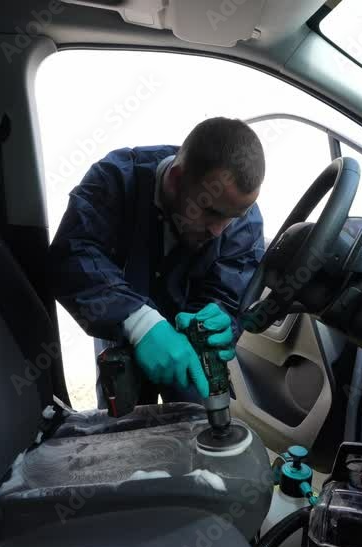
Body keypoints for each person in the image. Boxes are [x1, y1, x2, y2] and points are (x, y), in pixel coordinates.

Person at [48, 117, 265, 407]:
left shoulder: (241, 218)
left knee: (197, 421)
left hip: (189, 340)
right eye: (210, 211)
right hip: (122, 324)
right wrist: (139, 322)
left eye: (232, 217)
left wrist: (220, 318)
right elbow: (72, 256)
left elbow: (233, 287)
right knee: (125, 429)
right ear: (176, 180)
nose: (218, 230)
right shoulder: (115, 181)